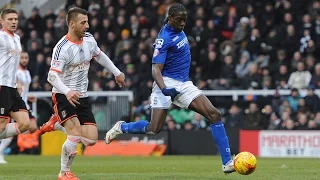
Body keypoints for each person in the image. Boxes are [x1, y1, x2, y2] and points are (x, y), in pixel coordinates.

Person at [105, 3, 235, 174]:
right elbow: (155, 69)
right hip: (165, 83)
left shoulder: (178, 30)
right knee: (154, 129)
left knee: (214, 114)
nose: (182, 23)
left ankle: (227, 162)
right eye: (179, 20)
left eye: (184, 20)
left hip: (184, 84)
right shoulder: (164, 39)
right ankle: (122, 127)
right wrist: (165, 89)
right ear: (170, 18)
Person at [41, 7, 125, 180]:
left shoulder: (89, 40)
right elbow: (52, 76)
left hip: (82, 96)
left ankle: (56, 123)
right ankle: (64, 173)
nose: (87, 25)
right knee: (75, 134)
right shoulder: (62, 48)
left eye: (87, 21)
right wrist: (67, 91)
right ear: (71, 24)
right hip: (63, 94)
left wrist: (117, 72)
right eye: (83, 22)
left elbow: (99, 55)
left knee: (92, 140)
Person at [0, 52, 38, 163]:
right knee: (7, 127)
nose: (24, 60)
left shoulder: (27, 72)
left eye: (26, 58)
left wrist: (28, 96)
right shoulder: (15, 71)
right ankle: (1, 153)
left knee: (32, 127)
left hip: (23, 102)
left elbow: (24, 89)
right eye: (22, 57)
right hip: (12, 101)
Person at [0, 9, 30, 146]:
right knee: (1, 125)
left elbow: (13, 64)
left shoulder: (17, 38)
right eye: (10, 19)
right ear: (2, 21)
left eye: (15, 19)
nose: (13, 22)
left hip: (12, 87)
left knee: (25, 123)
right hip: (1, 86)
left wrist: (17, 82)